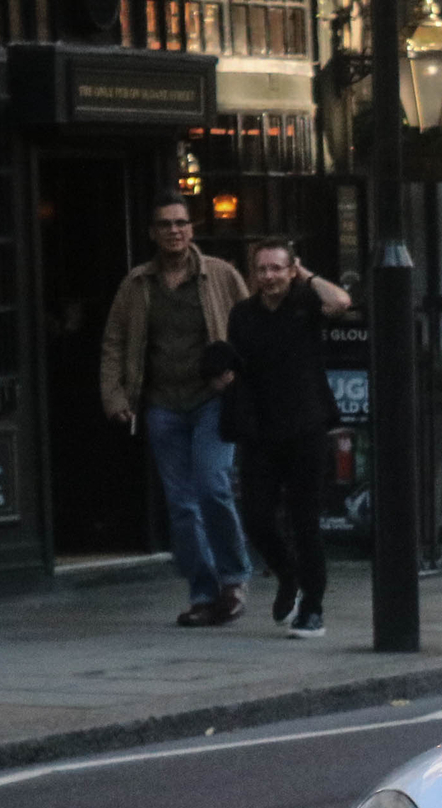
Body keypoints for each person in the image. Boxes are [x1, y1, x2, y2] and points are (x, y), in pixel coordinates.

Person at [100, 194, 253, 626]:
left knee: (212, 486)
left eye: (181, 223)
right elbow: (114, 342)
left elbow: (248, 329)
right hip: (162, 405)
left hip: (211, 401)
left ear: (192, 229)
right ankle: (204, 594)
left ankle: (234, 578)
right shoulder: (136, 285)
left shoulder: (220, 275)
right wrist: (115, 397)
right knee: (182, 505)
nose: (174, 231)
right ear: (152, 232)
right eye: (165, 224)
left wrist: (238, 378)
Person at [223, 238, 351, 638]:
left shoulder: (305, 303)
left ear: (291, 270)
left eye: (277, 268)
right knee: (257, 518)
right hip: (260, 431)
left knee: (304, 521)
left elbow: (342, 302)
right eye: (261, 269)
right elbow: (237, 367)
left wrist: (306, 273)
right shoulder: (243, 314)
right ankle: (287, 575)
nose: (269, 276)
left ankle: (313, 607)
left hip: (306, 427)